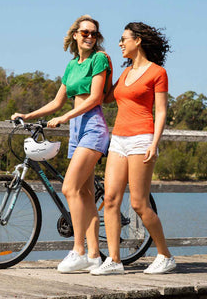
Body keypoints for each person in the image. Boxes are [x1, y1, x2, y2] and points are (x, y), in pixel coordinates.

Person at [11, 15, 111, 273]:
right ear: (76, 35)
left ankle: (78, 250)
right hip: (76, 129)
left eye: (94, 34)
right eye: (85, 33)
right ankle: (93, 256)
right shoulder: (71, 65)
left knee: (69, 188)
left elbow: (96, 97)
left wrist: (66, 116)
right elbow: (57, 102)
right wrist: (28, 115)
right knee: (86, 194)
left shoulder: (98, 59)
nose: (90, 37)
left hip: (93, 127)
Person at [91, 22, 176, 275]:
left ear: (137, 41)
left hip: (142, 139)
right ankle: (114, 261)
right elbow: (106, 96)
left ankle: (165, 255)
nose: (120, 43)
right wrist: (103, 66)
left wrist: (154, 142)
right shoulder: (125, 73)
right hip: (118, 139)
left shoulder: (157, 72)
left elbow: (160, 111)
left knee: (139, 204)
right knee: (110, 200)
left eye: (123, 39)